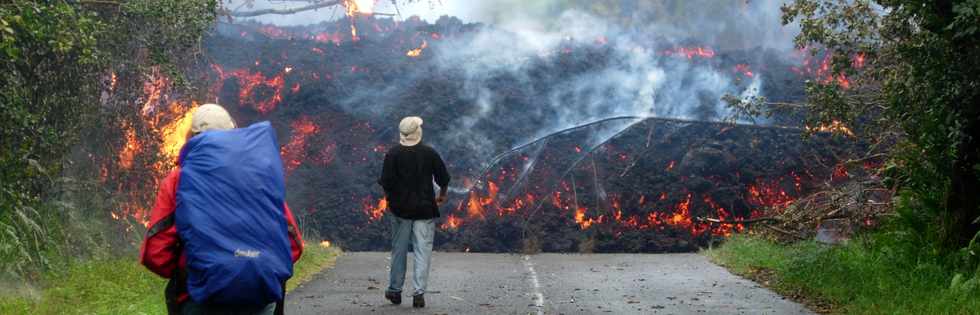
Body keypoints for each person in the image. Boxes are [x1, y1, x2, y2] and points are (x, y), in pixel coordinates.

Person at [139, 104, 304, 315]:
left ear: (192, 138)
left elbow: (156, 253)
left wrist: (194, 270)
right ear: (234, 135)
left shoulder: (180, 179)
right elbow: (293, 245)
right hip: (257, 298)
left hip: (201, 299)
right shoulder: (259, 177)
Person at [378, 116, 451, 308]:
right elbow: (443, 178)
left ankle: (395, 290)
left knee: (399, 251)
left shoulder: (393, 154)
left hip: (400, 210)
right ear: (418, 133)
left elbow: (386, 182)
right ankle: (419, 293)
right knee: (422, 252)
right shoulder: (429, 153)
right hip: (425, 209)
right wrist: (442, 195)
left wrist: (389, 200)